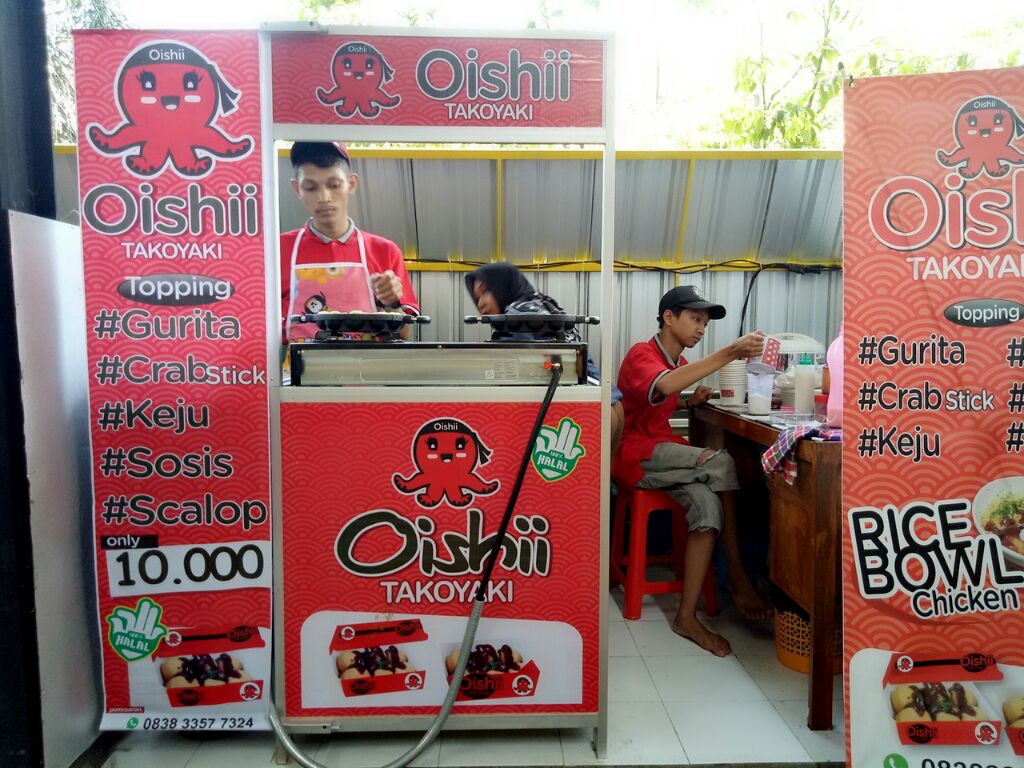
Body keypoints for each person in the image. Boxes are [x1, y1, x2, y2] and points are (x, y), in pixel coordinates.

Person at [613, 285, 770, 657]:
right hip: (635, 454)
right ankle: (737, 574)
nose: (701, 328)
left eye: (705, 323)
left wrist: (688, 402)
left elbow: (659, 397)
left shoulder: (678, 363)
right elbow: (661, 386)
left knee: (706, 504)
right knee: (723, 462)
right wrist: (732, 351)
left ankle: (686, 617)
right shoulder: (641, 354)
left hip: (661, 454)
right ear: (668, 317)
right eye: (695, 319)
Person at [465, 263, 624, 455]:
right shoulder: (546, 304)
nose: (480, 303)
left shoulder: (516, 316)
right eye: (477, 298)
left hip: (583, 408)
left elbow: (518, 372)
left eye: (485, 292)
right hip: (610, 400)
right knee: (602, 473)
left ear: (501, 285)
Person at [280, 141, 419, 344]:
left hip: (366, 365)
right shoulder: (276, 251)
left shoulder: (384, 250)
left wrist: (391, 303)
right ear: (297, 189)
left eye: (334, 185)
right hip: (297, 365)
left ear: (351, 184)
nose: (324, 197)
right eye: (310, 187)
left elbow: (404, 333)